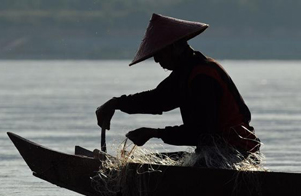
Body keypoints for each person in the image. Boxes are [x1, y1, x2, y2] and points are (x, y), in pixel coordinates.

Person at [95, 14, 261, 163]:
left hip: (238, 155)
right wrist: (116, 103)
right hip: (214, 153)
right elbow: (156, 100)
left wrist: (155, 133)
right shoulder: (185, 74)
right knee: (149, 162)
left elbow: (201, 132)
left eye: (159, 54)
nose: (156, 60)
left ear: (174, 47)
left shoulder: (203, 76)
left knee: (183, 167)